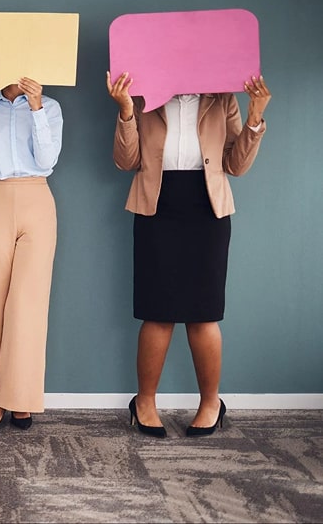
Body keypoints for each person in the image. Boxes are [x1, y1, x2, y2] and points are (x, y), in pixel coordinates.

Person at [107, 70, 271, 437]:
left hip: (207, 210)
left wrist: (255, 116)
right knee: (157, 311)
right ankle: (144, 402)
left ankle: (211, 402)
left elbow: (236, 166)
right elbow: (126, 159)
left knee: (204, 313)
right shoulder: (142, 98)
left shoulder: (221, 99)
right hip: (156, 208)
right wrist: (125, 110)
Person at [0, 77, 62, 431]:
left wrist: (35, 108)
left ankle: (15, 399)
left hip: (37, 197)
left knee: (28, 305)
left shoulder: (50, 108)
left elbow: (48, 159)